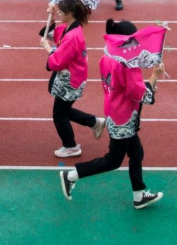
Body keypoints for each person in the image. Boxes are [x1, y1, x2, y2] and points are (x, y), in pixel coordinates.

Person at [59, 20, 164, 210]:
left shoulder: (108, 56)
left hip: (114, 110)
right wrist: (154, 77)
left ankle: (139, 194)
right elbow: (136, 92)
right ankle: (72, 175)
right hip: (125, 116)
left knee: (137, 153)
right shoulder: (128, 64)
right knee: (113, 160)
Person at [40, 0, 106, 158]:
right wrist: (51, 17)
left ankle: (71, 146)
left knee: (59, 114)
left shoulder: (72, 37)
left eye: (60, 11)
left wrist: (48, 48)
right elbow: (48, 33)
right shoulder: (69, 27)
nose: (58, 12)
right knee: (64, 110)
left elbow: (56, 62)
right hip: (71, 76)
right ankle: (94, 122)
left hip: (70, 80)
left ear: (69, 14)